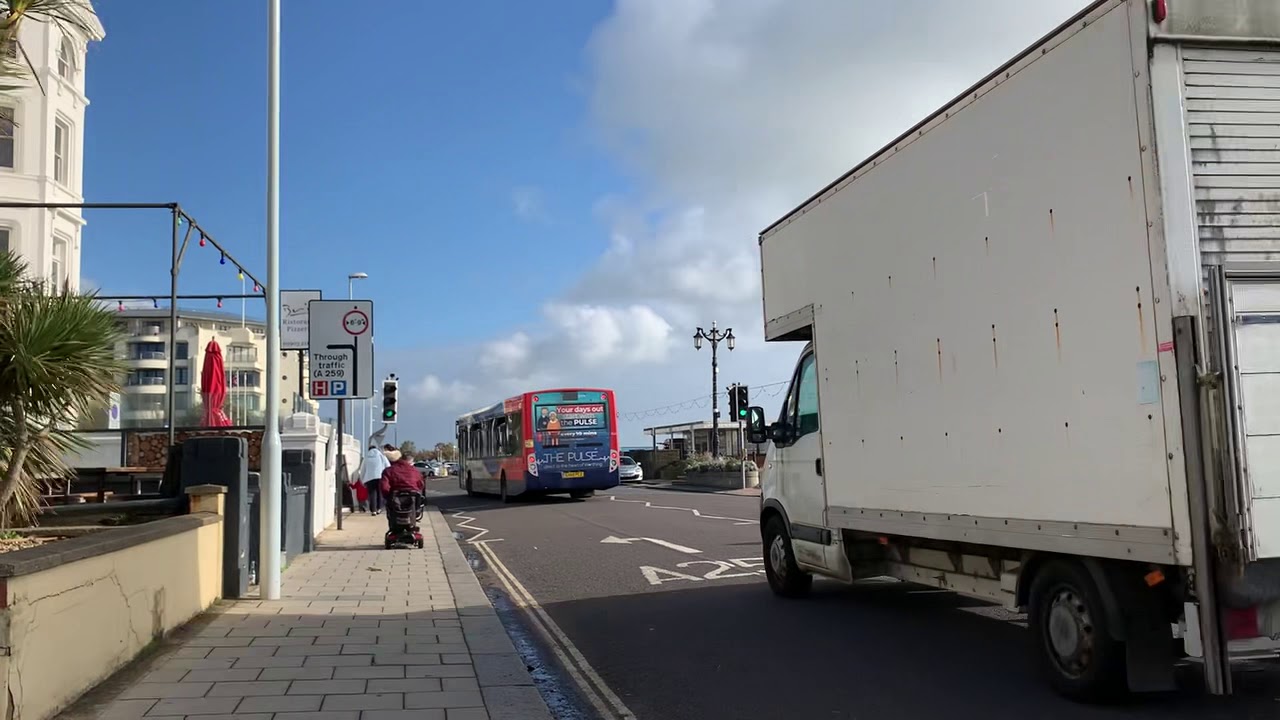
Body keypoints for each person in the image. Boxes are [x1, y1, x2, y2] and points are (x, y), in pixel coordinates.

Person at [380, 451, 425, 532]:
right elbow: (420, 485)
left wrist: (387, 496)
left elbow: (384, 487)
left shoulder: (389, 471)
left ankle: (394, 528)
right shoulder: (415, 471)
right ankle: (411, 525)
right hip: (412, 498)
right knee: (414, 506)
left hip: (395, 498)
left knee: (392, 510)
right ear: (411, 461)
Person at [361, 443, 390, 515]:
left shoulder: (366, 457)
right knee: (380, 493)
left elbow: (362, 469)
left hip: (369, 478)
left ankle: (373, 510)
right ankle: (379, 508)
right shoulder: (381, 456)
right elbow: (388, 466)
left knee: (372, 494)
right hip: (380, 476)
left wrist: (362, 480)